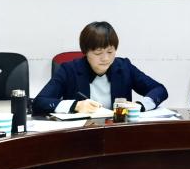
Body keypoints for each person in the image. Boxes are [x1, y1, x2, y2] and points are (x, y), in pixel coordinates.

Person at [33, 21, 167, 115]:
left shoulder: (124, 67)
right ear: (85, 52)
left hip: (117, 133)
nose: (105, 58)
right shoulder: (69, 70)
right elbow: (39, 102)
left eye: (110, 52)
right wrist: (76, 106)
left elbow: (159, 90)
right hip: (80, 135)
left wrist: (140, 105)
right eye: (98, 53)